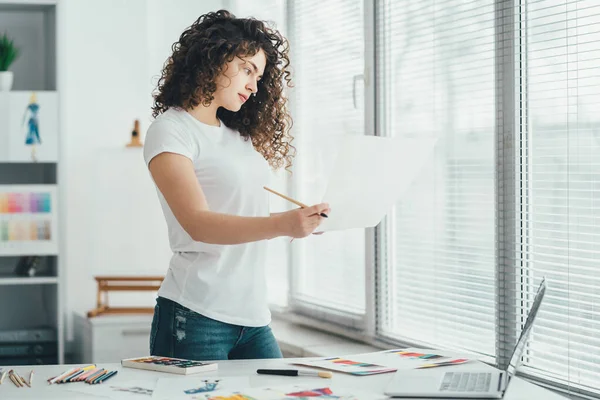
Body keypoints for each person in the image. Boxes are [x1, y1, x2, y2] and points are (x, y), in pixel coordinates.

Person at [143, 10, 330, 361]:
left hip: (254, 317)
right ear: (214, 59)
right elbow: (197, 222)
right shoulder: (171, 130)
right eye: (247, 69)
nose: (254, 86)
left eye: (259, 77)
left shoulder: (236, 136)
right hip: (195, 313)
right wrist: (281, 225)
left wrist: (297, 220)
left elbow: (243, 212)